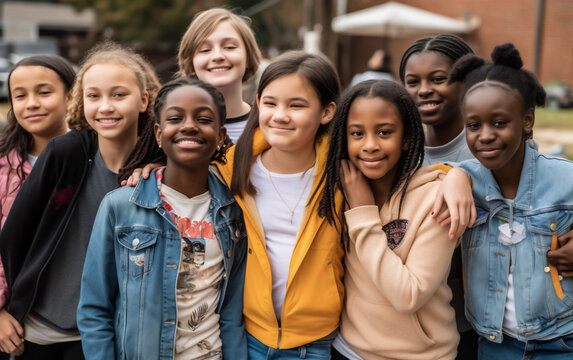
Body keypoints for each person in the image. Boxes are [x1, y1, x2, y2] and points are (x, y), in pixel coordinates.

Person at [0, 41, 160, 359]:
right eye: (94, 96)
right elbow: (14, 234)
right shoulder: (65, 153)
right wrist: (15, 303)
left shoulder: (157, 164)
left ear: (144, 100)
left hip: (108, 335)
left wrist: (159, 165)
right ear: (81, 100)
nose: (105, 107)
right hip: (41, 331)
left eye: (119, 95)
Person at [77, 77, 247, 359]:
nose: (189, 125)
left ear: (220, 135)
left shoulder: (234, 212)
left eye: (203, 119)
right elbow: (94, 308)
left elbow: (232, 312)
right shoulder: (119, 206)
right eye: (175, 118)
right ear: (158, 133)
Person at [320, 80, 459, 359]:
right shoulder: (335, 192)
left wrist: (362, 213)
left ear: (407, 137)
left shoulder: (437, 199)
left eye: (384, 132)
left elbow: (408, 295)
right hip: (348, 350)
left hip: (422, 355)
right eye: (357, 133)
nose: (370, 145)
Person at [451, 43, 573, 359]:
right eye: (474, 125)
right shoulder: (462, 181)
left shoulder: (565, 178)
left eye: (499, 123)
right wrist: (453, 177)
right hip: (494, 345)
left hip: (562, 341)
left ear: (528, 121)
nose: (485, 135)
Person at [399, 34, 478, 359]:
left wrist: (464, 173)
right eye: (412, 81)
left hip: (476, 325)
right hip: (415, 322)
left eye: (438, 79)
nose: (423, 90)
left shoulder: (493, 144)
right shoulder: (399, 152)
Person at [0, 54, 76, 355]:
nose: (31, 103)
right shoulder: (5, 167)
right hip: (18, 325)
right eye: (20, 96)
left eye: (44, 92)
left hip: (80, 322)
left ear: (71, 96)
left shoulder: (93, 157)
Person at [178, 8, 262, 143]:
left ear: (248, 56)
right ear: (191, 63)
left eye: (229, 47)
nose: (217, 56)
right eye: (205, 50)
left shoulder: (270, 126)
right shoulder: (174, 128)